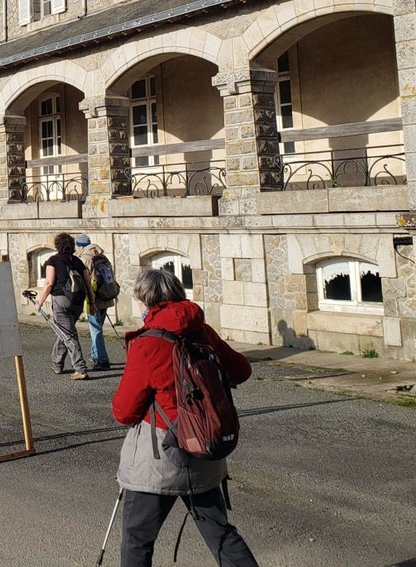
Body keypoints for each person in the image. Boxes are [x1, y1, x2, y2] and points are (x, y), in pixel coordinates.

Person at [111, 268, 258, 567]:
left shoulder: (148, 343)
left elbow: (124, 412)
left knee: (137, 540)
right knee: (219, 532)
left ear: (146, 301)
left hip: (159, 456)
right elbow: (242, 370)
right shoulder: (203, 332)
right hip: (205, 443)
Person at [31, 232, 92, 380]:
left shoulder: (53, 261)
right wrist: (92, 302)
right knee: (64, 331)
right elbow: (88, 283)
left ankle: (80, 369)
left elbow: (49, 283)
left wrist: (39, 302)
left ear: (57, 245)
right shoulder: (78, 261)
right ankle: (57, 364)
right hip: (78, 301)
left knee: (68, 335)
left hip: (61, 300)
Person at [85, 244, 115, 371]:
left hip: (94, 300)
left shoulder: (87, 259)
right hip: (106, 298)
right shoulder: (103, 258)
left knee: (95, 330)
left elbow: (88, 282)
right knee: (98, 329)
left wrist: (91, 301)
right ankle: (95, 355)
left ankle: (102, 361)